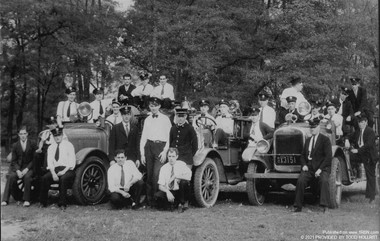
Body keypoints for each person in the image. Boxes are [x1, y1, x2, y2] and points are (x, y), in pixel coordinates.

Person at [293, 118, 332, 213]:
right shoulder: (308, 140)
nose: (312, 130)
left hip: (322, 167)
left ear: (318, 127)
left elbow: (328, 157)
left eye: (314, 128)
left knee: (324, 180)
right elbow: (302, 155)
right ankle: (298, 206)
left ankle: (325, 206)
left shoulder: (325, 140)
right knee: (301, 181)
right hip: (309, 167)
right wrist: (304, 165)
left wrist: (320, 169)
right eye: (311, 128)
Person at [140, 97, 172, 206]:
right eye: (151, 106)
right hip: (149, 146)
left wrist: (165, 151)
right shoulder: (147, 119)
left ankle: (158, 199)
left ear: (159, 106)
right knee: (149, 174)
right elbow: (144, 137)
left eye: (155, 105)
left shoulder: (165, 119)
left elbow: (169, 137)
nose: (153, 108)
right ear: (149, 106)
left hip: (161, 147)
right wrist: (142, 153)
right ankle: (150, 200)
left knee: (157, 173)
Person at [39, 127, 76, 210]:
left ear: (62, 135)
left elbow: (72, 162)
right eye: (55, 136)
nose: (57, 137)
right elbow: (50, 163)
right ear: (53, 137)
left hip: (68, 169)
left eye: (59, 135)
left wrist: (63, 171)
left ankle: (62, 203)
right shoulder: (51, 147)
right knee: (45, 178)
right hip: (55, 170)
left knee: (63, 179)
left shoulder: (69, 145)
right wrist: (53, 174)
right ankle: (43, 202)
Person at [345, 115, 378, 203]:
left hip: (369, 155)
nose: (361, 124)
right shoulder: (357, 132)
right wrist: (347, 140)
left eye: (362, 123)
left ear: (366, 123)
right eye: (359, 123)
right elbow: (349, 136)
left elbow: (368, 145)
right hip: (361, 154)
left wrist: (358, 150)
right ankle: (354, 171)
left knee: (370, 175)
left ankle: (372, 197)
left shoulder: (370, 131)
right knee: (348, 157)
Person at [2, 126, 37, 207]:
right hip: (18, 167)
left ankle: (26, 200)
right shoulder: (15, 145)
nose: (23, 135)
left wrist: (27, 169)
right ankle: (5, 200)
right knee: (11, 177)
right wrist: (17, 170)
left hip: (29, 168)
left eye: (24, 133)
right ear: (18, 135)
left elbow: (34, 159)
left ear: (27, 134)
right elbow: (13, 161)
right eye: (21, 134)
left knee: (27, 177)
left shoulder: (32, 143)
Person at [154, 148, 192, 212]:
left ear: (177, 156)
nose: (171, 158)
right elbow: (160, 186)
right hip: (170, 191)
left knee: (183, 182)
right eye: (169, 156)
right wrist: (167, 192)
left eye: (173, 156)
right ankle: (173, 204)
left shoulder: (181, 164)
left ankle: (181, 203)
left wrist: (175, 176)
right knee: (157, 196)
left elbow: (189, 177)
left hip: (179, 191)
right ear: (167, 156)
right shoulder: (164, 168)